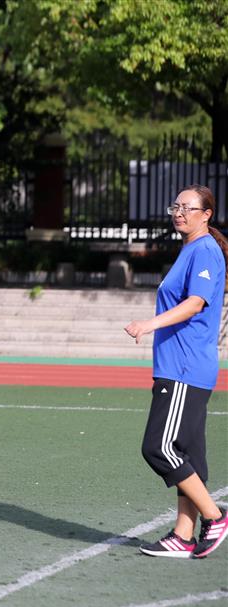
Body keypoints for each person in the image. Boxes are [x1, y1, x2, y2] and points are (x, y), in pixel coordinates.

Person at [126, 184, 228, 559]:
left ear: (206, 214)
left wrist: (148, 325)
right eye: (176, 206)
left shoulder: (204, 250)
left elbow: (195, 303)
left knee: (159, 447)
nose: (178, 212)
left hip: (184, 368)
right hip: (180, 367)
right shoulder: (190, 250)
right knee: (187, 455)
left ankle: (215, 517)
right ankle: (183, 535)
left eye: (187, 207)